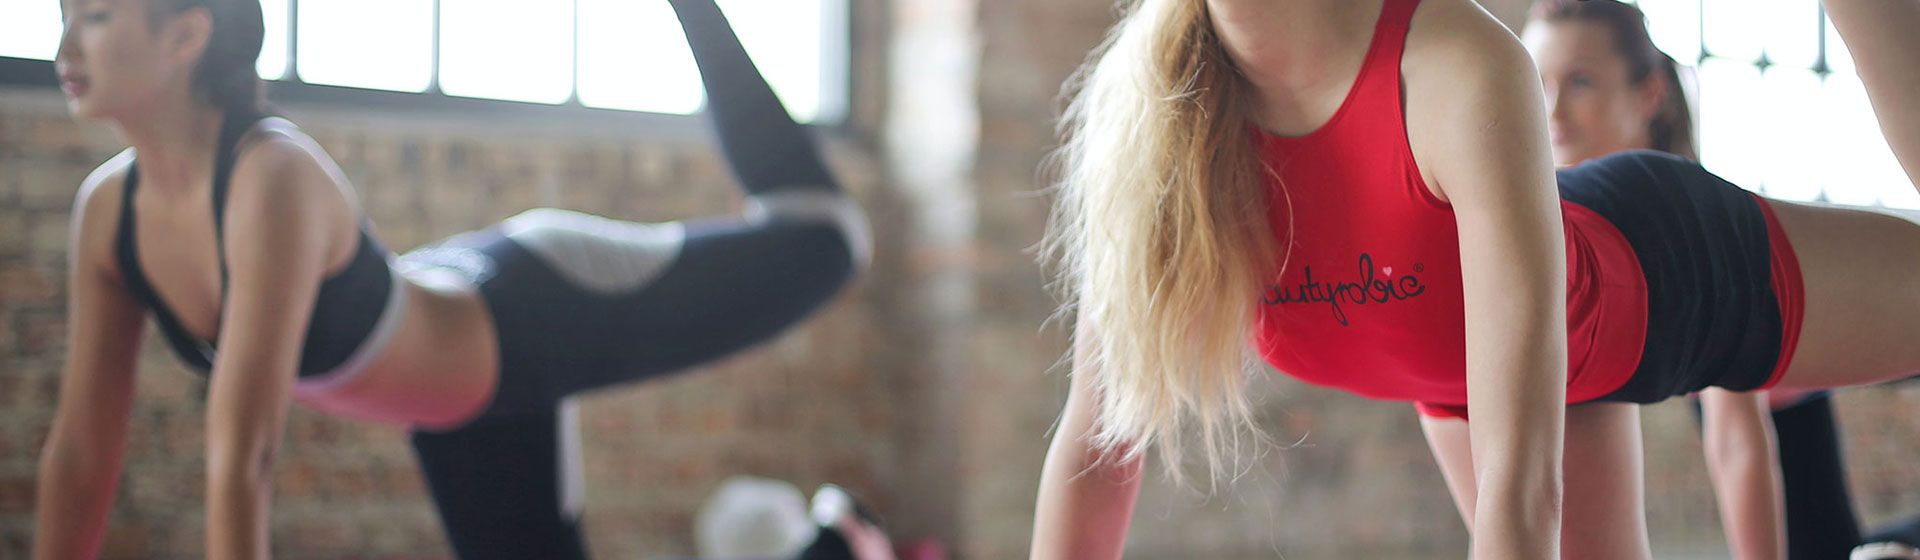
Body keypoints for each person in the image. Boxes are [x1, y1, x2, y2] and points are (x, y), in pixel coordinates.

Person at [1030, 0, 1920, 558]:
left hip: (1654, 271)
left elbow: (1519, 504)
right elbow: (1100, 446)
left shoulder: (1456, 65)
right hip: (1466, 381)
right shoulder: (1155, 121)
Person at [32, 0, 868, 558]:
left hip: (534, 309)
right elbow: (80, 452)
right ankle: (831, 547)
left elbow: (242, 451)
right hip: (456, 404)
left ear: (186, 35)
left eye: (96, 17)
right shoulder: (108, 209)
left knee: (828, 239)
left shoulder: (268, 176)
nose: (65, 47)